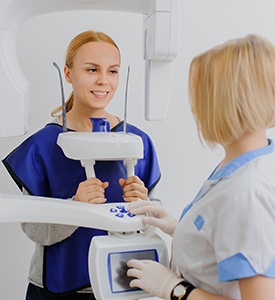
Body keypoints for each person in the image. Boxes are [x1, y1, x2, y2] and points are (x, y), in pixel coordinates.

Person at [126, 34, 275, 300]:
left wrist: (175, 289)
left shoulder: (249, 192)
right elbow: (228, 238)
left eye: (200, 98)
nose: (196, 110)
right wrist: (184, 230)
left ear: (227, 102)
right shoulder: (253, 158)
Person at [2, 30, 161, 299]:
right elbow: (34, 230)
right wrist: (74, 208)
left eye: (112, 71)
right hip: (56, 288)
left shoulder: (135, 141)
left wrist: (144, 207)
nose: (103, 80)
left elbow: (152, 225)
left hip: (121, 286)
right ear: (68, 73)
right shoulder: (44, 145)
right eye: (91, 69)